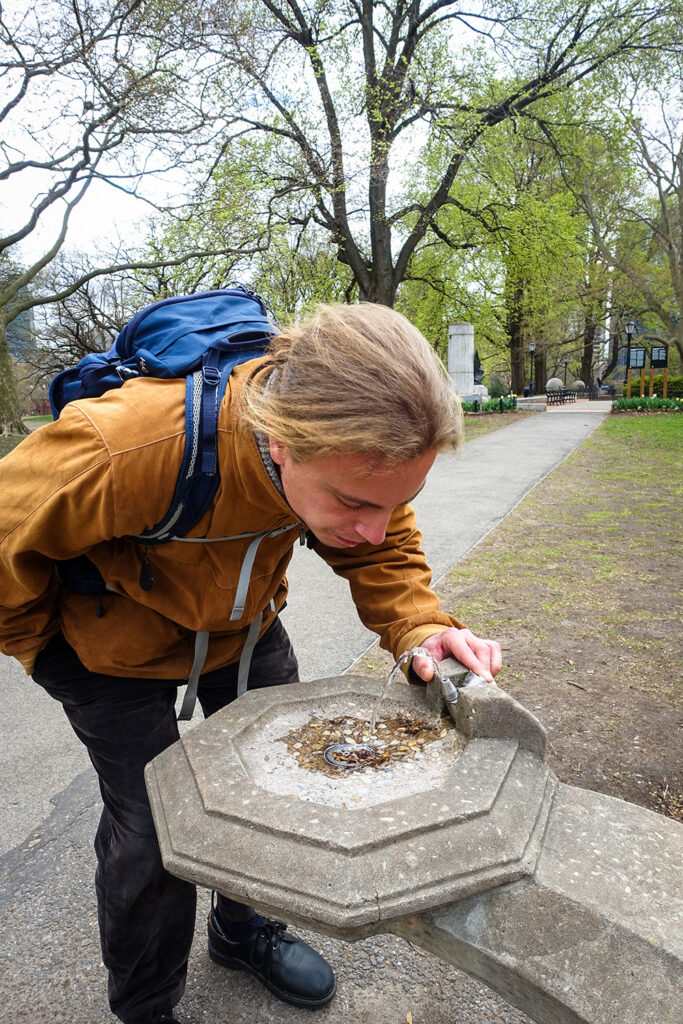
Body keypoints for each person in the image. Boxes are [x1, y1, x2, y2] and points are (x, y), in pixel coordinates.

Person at [0, 301, 501, 1024]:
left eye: (396, 501)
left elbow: (381, 544)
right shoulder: (126, 447)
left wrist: (419, 627)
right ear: (280, 441)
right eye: (353, 501)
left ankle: (244, 932)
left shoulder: (357, 467)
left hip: (242, 631)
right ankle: (145, 1006)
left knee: (280, 786)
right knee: (152, 830)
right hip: (111, 652)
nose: (372, 525)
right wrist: (49, 653)